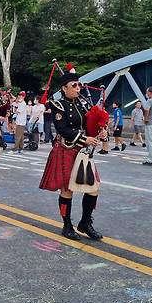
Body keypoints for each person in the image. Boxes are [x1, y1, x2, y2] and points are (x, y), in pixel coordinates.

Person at [39, 67, 103, 241]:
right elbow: (63, 129)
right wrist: (85, 139)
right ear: (64, 88)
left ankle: (85, 223)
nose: (77, 88)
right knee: (67, 190)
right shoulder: (57, 105)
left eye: (78, 85)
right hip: (66, 149)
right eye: (74, 85)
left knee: (93, 188)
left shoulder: (82, 104)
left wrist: (99, 131)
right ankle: (67, 225)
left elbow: (88, 125)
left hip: (81, 152)